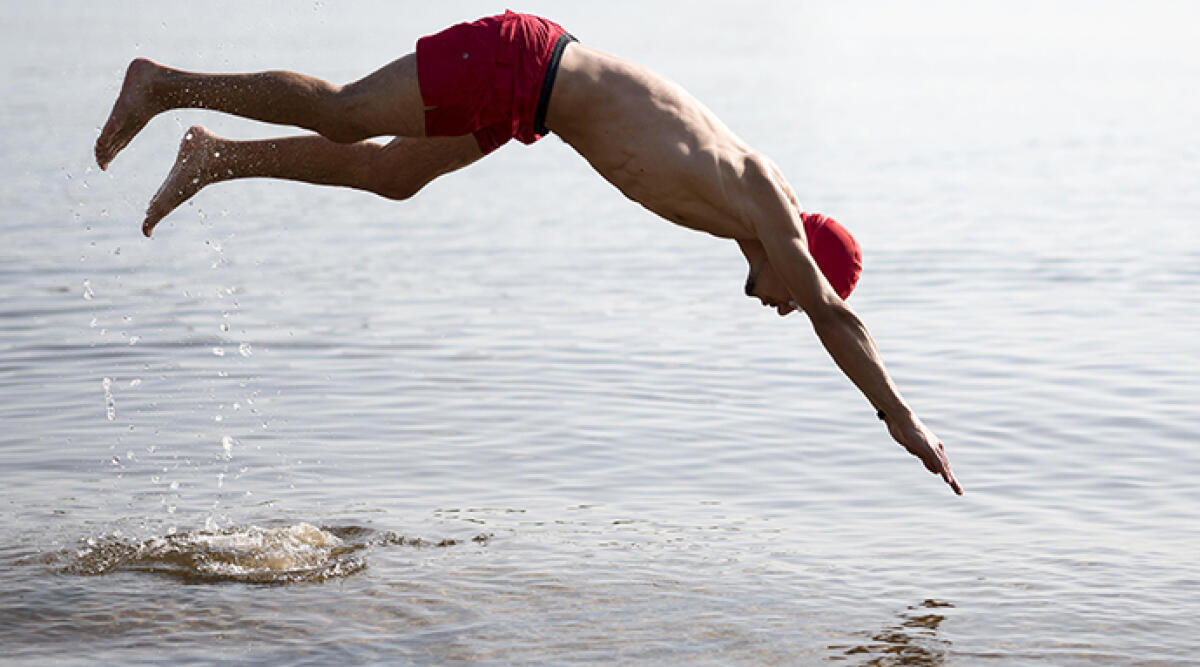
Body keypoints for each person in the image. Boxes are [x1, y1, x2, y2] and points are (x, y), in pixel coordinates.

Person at [94, 11, 962, 495]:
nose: (778, 304)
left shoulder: (741, 215)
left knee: (393, 178)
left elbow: (815, 301)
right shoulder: (765, 194)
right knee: (350, 111)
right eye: (791, 292)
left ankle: (215, 158)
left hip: (531, 101)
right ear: (804, 252)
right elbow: (832, 314)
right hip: (526, 62)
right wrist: (900, 416)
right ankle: (165, 84)